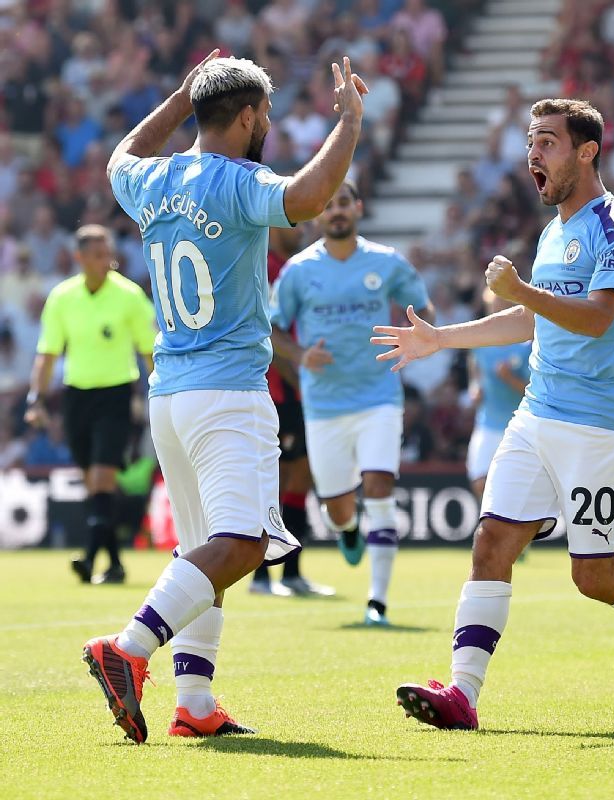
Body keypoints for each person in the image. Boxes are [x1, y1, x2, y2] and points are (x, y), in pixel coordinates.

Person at [372, 98, 614, 730]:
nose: (532, 154)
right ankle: (463, 697)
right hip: (538, 411)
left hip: (599, 425)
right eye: (530, 141)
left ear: (586, 151)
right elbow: (532, 316)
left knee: (594, 576)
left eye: (547, 142)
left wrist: (520, 289)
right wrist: (443, 338)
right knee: (491, 542)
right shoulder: (555, 232)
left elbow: (598, 319)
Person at [82, 52, 368, 744]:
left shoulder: (152, 178)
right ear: (246, 117)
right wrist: (351, 123)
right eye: (264, 113)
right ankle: (126, 648)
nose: (266, 123)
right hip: (228, 394)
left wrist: (180, 96)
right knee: (241, 544)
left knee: (201, 550)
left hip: (169, 397)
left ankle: (196, 701)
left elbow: (121, 152)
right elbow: (303, 200)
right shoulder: (237, 181)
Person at [269, 180, 434, 626]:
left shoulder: (386, 262)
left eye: (344, 203)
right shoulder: (299, 271)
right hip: (323, 405)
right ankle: (347, 529)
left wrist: (416, 338)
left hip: (379, 396)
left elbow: (425, 311)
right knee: (338, 507)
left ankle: (377, 602)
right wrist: (301, 355)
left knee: (380, 487)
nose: (337, 211)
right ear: (318, 215)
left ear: (358, 209)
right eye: (329, 205)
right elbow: (274, 328)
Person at [25, 224, 155, 585]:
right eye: (97, 255)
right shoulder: (62, 297)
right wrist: (35, 400)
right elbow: (47, 355)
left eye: (108, 253)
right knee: (94, 484)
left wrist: (163, 394)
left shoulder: (129, 296)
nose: (106, 261)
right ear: (79, 257)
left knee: (101, 477)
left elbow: (150, 352)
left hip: (115, 395)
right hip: (76, 398)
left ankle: (89, 559)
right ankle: (113, 563)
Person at [249, 225, 335, 598]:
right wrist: (297, 378)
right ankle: (261, 576)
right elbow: (268, 331)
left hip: (303, 385)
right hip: (276, 385)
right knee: (276, 479)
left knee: (302, 475)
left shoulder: (299, 265)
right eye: (293, 222)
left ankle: (293, 572)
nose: (301, 228)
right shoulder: (265, 266)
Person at [466, 289, 529, 500]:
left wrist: (509, 378)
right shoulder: (481, 344)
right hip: (487, 423)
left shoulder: (526, 346)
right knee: (479, 480)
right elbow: (475, 370)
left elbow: (533, 390)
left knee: (516, 487)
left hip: (519, 427)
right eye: (494, 305)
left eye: (503, 304)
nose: (498, 310)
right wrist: (475, 386)